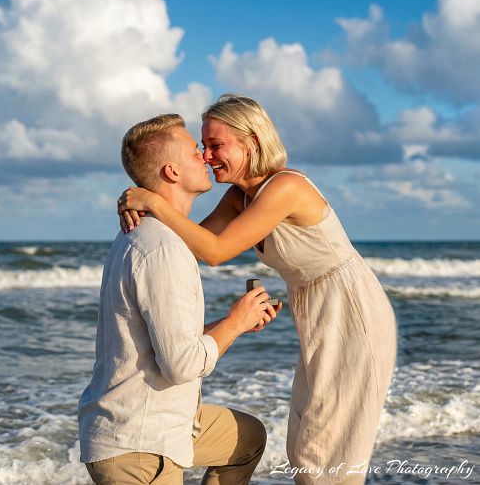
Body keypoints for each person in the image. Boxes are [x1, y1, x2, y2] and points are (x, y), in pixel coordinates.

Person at [117, 95, 397, 484]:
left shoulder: (285, 187)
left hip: (352, 312)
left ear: (251, 141)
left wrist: (154, 203)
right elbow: (186, 248)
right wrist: (139, 208)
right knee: (305, 441)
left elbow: (215, 252)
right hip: (315, 312)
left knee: (326, 448)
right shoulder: (239, 197)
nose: (208, 156)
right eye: (204, 146)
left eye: (217, 145)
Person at [78, 113, 282, 485]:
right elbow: (182, 365)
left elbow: (163, 343)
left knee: (247, 438)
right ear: (171, 172)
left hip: (157, 423)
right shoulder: (162, 250)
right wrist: (234, 322)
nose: (205, 156)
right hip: (140, 446)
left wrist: (236, 323)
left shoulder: (145, 235)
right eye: (194, 151)